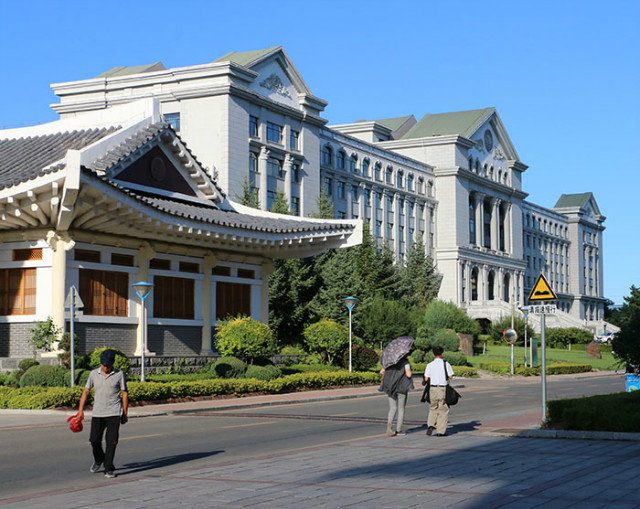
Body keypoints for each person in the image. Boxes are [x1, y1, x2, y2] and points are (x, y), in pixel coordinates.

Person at [77, 349, 128, 478]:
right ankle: (99, 459)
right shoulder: (93, 374)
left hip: (114, 413)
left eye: (108, 365)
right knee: (94, 440)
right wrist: (80, 411)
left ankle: (108, 467)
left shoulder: (119, 374)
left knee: (112, 442)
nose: (105, 367)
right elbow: (86, 391)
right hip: (98, 413)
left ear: (112, 364)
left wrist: (125, 413)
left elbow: (124, 394)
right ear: (100, 364)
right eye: (103, 365)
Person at [423, 346, 454, 437]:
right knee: (443, 409)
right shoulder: (446, 364)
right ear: (442, 354)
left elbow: (426, 378)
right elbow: (451, 376)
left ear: (433, 354)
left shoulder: (429, 365)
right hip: (442, 388)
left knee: (433, 407)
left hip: (432, 388)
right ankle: (440, 431)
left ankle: (431, 425)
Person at [380, 355, 413, 436]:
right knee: (401, 409)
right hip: (401, 387)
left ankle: (389, 426)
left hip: (391, 388)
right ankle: (399, 430)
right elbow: (408, 375)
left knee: (392, 408)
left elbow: (382, 371)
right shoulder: (405, 363)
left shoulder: (389, 362)